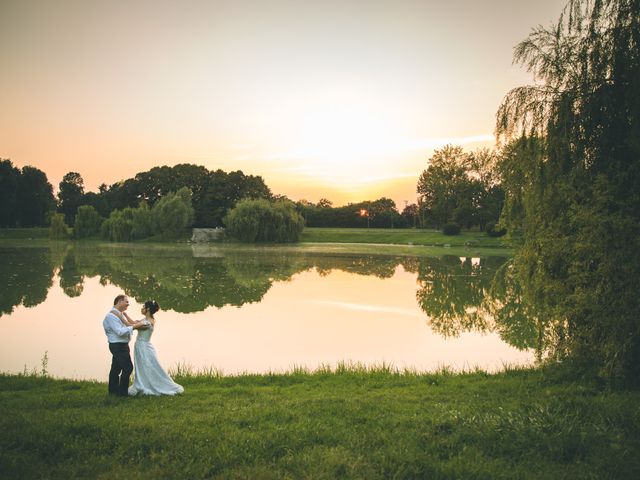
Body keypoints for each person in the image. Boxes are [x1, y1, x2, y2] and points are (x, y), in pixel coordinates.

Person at [124, 299, 184, 396]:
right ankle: (145, 382)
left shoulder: (147, 323)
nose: (142, 308)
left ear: (147, 309)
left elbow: (131, 325)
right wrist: (125, 315)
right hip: (144, 346)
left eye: (143, 307)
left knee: (146, 365)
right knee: (144, 366)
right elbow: (133, 322)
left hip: (143, 347)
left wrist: (119, 316)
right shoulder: (148, 320)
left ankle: (147, 385)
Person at [103, 294, 148, 396]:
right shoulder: (111, 316)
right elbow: (119, 331)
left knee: (116, 368)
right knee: (128, 368)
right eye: (126, 301)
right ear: (119, 301)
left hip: (122, 345)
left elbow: (127, 325)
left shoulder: (120, 314)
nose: (128, 304)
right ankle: (122, 393)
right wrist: (135, 327)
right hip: (117, 346)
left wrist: (135, 325)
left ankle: (113, 391)